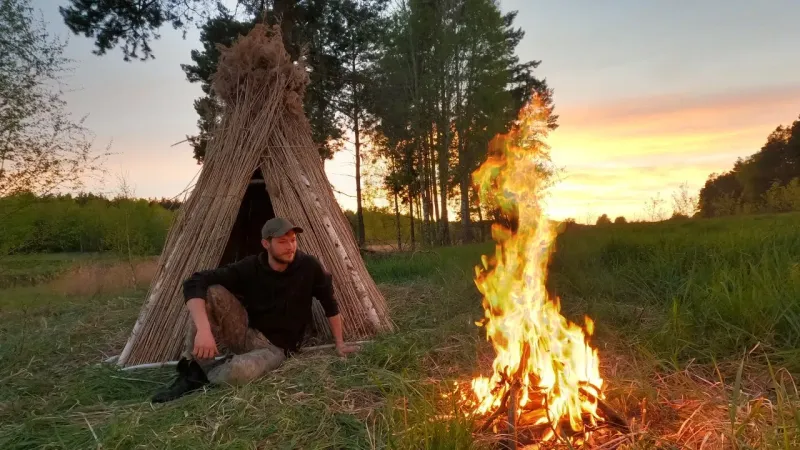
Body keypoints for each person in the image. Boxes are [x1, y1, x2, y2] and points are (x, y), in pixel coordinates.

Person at [151, 217, 358, 403]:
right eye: (282, 241)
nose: (290, 247)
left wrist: (339, 344)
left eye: (293, 240)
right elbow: (194, 281)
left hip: (276, 348)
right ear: (266, 244)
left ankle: (203, 373)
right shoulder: (250, 267)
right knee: (212, 291)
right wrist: (204, 331)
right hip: (248, 334)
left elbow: (329, 303)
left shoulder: (309, 266)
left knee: (240, 371)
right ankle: (191, 369)